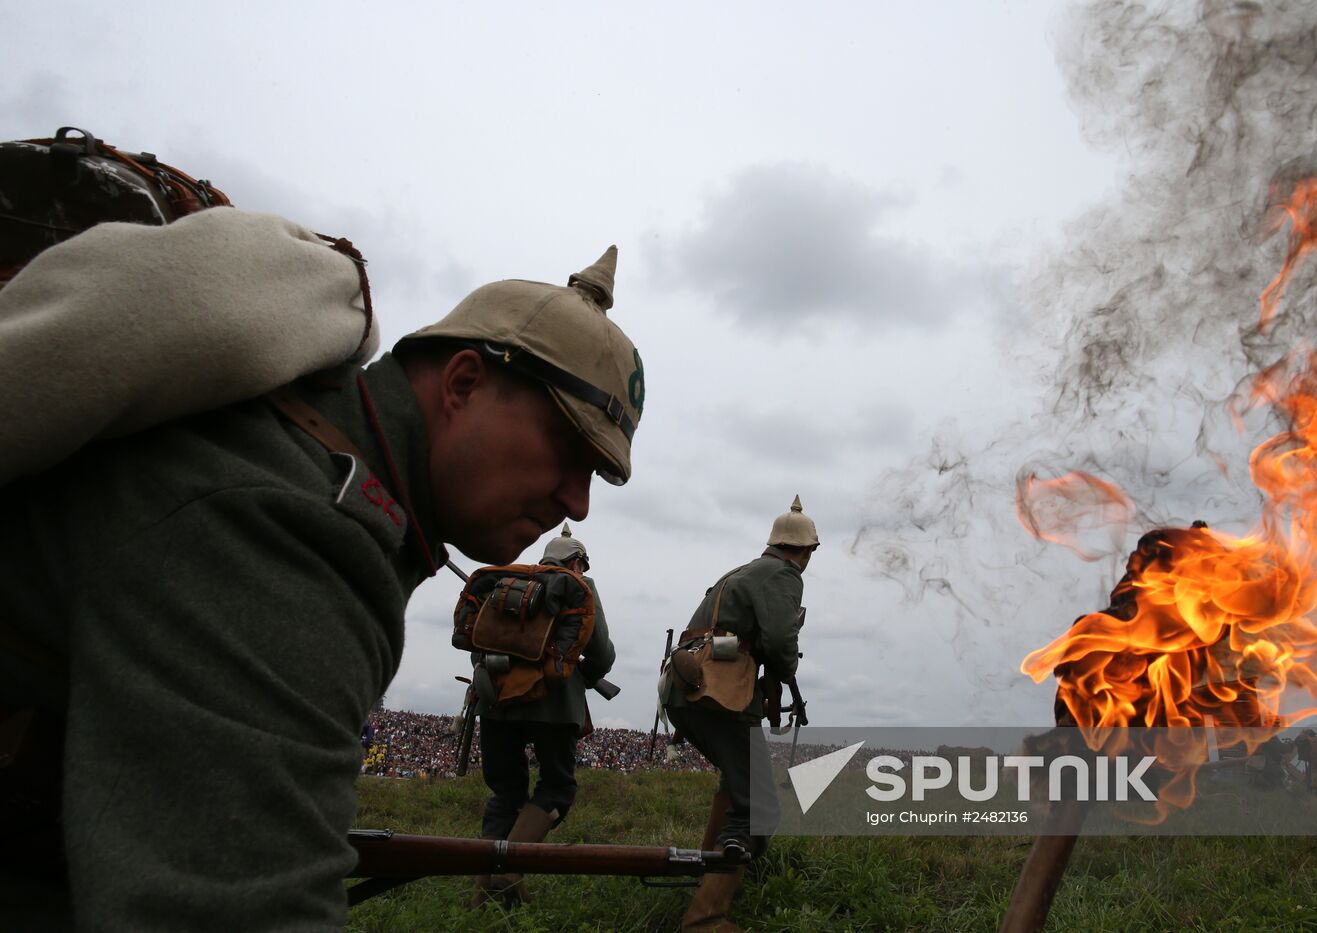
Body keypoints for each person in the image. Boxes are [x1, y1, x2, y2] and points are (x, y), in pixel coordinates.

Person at [0, 237, 644, 930]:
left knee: (512, 794)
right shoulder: (297, 529)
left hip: (496, 707)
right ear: (461, 384)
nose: (578, 501)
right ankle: (748, 855)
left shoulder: (311, 460)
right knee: (601, 793)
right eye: (568, 448)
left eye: (596, 474)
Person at [663, 496, 817, 932]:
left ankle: (705, 879)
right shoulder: (784, 575)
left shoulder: (743, 571)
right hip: (720, 694)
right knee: (760, 810)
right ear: (806, 552)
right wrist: (785, 673)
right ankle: (705, 918)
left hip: (687, 688)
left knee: (736, 789)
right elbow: (781, 642)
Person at [471, 522, 616, 906]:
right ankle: (509, 872)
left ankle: (482, 894)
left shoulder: (511, 584)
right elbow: (602, 653)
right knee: (557, 788)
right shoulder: (578, 587)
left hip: (498, 699)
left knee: (506, 792)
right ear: (578, 562)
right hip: (553, 701)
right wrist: (585, 674)